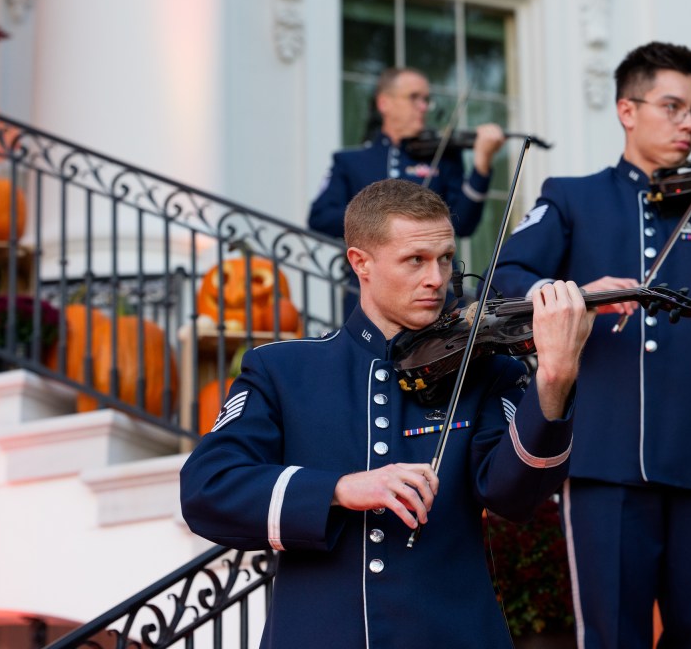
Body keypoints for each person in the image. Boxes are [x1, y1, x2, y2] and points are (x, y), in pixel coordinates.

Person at [181, 179, 596, 648]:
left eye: (444, 258)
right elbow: (206, 490)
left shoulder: (487, 371)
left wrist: (555, 380)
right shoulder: (282, 370)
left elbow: (513, 498)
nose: (437, 279)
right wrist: (339, 489)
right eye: (415, 260)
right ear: (361, 263)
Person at [490, 41, 691, 648]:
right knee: (612, 638)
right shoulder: (572, 195)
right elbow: (507, 280)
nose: (687, 123)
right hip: (604, 458)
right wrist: (578, 292)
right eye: (671, 106)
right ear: (627, 110)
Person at [307, 67, 506, 240]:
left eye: (426, 99)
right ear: (384, 103)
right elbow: (319, 218)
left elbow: (464, 225)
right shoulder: (350, 161)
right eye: (414, 97)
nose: (423, 107)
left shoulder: (443, 156)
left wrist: (481, 165)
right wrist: (381, 217)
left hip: (433, 278)